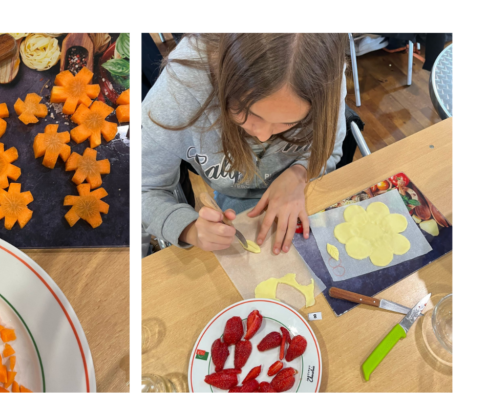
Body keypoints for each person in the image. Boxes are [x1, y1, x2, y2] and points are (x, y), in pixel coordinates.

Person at [142, 34, 348, 254]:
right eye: (250, 113)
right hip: (235, 196)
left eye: (288, 122)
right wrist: (189, 229)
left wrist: (299, 173)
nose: (263, 135)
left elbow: (330, 145)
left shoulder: (324, 74)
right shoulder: (176, 94)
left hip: (307, 188)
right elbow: (143, 189)